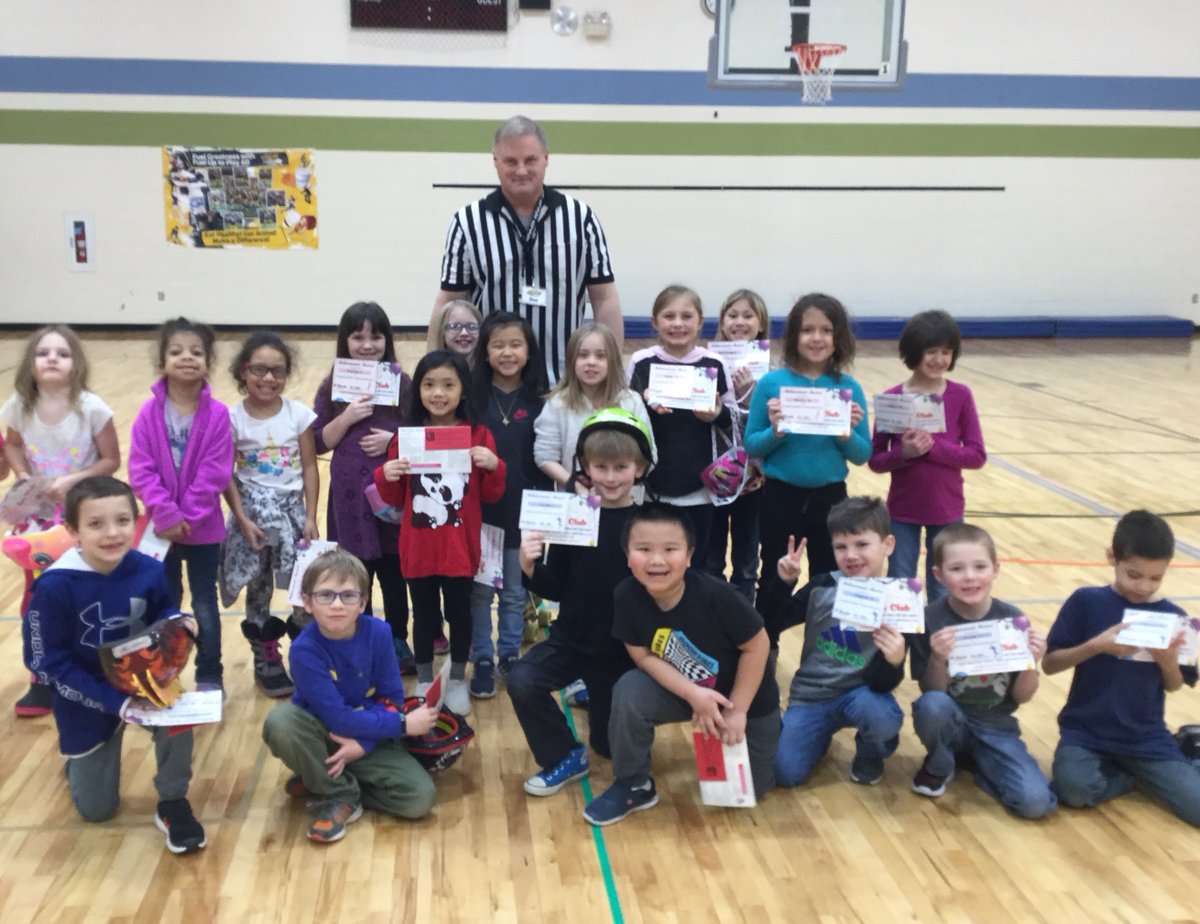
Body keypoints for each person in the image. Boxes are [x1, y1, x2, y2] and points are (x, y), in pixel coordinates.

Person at [23, 476, 206, 853]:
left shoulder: (149, 569)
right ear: (71, 530)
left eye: (122, 521)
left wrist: (179, 620)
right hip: (84, 693)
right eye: (95, 524)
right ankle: (81, 765)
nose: (111, 534)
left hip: (142, 681)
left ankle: (172, 802)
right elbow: (43, 660)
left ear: (136, 523)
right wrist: (115, 702)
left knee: (179, 717)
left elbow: (162, 611)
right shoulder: (54, 586)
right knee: (97, 811)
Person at [583, 504, 779, 826]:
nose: (657, 560)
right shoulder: (626, 595)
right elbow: (642, 655)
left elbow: (758, 645)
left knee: (758, 786)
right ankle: (633, 783)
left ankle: (775, 731)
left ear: (689, 555)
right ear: (627, 554)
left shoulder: (718, 596)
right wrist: (692, 694)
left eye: (670, 549)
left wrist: (738, 709)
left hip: (743, 698)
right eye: (643, 549)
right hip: (688, 691)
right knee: (629, 690)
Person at [510, 409, 653, 797]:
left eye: (621, 467)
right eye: (601, 467)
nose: (610, 477)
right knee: (522, 679)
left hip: (625, 653)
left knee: (609, 747)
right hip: (572, 641)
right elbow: (555, 588)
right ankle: (564, 755)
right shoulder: (575, 520)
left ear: (639, 469)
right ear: (586, 469)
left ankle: (595, 694)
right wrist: (528, 563)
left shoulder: (650, 524)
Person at [428, 115, 622, 384]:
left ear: (546, 158)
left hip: (566, 384)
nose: (521, 170)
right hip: (491, 388)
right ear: (495, 161)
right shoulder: (467, 222)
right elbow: (448, 302)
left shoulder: (581, 218)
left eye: (530, 160)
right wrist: (433, 372)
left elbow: (604, 299)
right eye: (510, 161)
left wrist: (613, 374)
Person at [262, 548, 438, 844]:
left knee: (420, 799)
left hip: (371, 731)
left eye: (348, 596)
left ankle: (322, 778)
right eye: (325, 595)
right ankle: (340, 793)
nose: (337, 605)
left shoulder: (380, 633)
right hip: (323, 734)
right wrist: (405, 725)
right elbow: (338, 717)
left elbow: (392, 699)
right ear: (306, 602)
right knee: (280, 721)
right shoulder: (304, 650)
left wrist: (364, 745)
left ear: (363, 602)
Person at [1044, 510, 1200, 826]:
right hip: (1085, 733)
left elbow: (1174, 685)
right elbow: (1049, 665)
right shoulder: (1086, 601)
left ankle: (1178, 759)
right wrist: (1094, 646)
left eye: (1156, 578)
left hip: (1145, 737)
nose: (1143, 587)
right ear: (1111, 557)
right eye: (1133, 574)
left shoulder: (1175, 618)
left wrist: (1167, 661)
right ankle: (1134, 777)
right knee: (1073, 791)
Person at [374, 350, 506, 717]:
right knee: (426, 616)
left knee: (460, 613)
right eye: (429, 385)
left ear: (463, 390)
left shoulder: (478, 434)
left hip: (460, 548)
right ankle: (423, 680)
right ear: (418, 391)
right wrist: (387, 474)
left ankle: (459, 680)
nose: (438, 393)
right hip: (419, 547)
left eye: (448, 385)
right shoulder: (407, 437)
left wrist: (494, 466)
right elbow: (394, 498)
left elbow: (493, 493)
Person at [2, 324, 120, 716]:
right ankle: (41, 676)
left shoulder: (92, 408)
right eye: (43, 352)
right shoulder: (18, 405)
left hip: (81, 517)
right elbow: (14, 445)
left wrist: (71, 480)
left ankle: (93, 666)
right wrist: (23, 476)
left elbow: (110, 460)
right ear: (31, 363)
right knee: (38, 596)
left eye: (62, 353)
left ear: (76, 364)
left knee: (85, 593)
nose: (52, 358)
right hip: (38, 520)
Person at [908, 524, 1056, 818]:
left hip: (996, 727)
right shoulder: (930, 618)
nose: (970, 576)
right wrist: (938, 658)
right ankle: (941, 759)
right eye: (957, 568)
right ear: (939, 575)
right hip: (950, 719)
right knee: (932, 705)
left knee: (1036, 804)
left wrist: (1032, 662)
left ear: (996, 569)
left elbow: (1022, 696)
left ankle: (980, 764)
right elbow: (931, 691)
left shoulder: (1013, 619)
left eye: (979, 567)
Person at [765, 496, 906, 788]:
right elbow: (771, 623)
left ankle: (870, 754)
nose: (851, 555)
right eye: (841, 547)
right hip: (812, 695)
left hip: (863, 693)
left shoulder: (900, 600)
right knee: (783, 773)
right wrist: (783, 583)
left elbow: (884, 683)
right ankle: (817, 735)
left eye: (862, 545)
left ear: (887, 545)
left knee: (881, 714)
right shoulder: (822, 586)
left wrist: (894, 661)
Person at [745, 293, 870, 608]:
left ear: (838, 337)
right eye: (807, 330)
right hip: (779, 496)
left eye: (826, 330)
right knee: (774, 572)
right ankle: (767, 646)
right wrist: (776, 432)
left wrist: (845, 434)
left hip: (830, 498)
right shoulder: (772, 384)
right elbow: (752, 445)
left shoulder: (849, 389)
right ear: (793, 336)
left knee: (829, 578)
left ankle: (823, 652)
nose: (817, 338)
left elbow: (861, 454)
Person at [129, 317, 232, 691]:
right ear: (162, 361)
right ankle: (164, 672)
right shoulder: (147, 413)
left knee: (205, 602)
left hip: (203, 530)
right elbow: (140, 469)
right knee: (165, 602)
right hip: (161, 531)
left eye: (196, 351)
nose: (186, 358)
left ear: (208, 361)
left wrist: (186, 516)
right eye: (176, 352)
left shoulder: (218, 415)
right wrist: (165, 514)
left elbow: (216, 473)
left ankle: (209, 674)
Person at [312, 302, 414, 672]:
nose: (368, 345)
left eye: (376, 336)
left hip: (392, 492)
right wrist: (348, 417)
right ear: (345, 341)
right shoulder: (332, 386)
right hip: (350, 496)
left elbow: (419, 434)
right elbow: (319, 441)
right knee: (356, 572)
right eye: (358, 337)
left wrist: (392, 440)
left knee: (394, 571)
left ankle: (399, 639)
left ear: (388, 340)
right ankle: (363, 641)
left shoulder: (401, 382)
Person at [221, 332, 319, 697]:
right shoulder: (231, 418)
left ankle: (307, 655)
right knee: (258, 584)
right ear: (243, 371)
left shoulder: (298, 415)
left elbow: (309, 466)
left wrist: (311, 515)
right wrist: (242, 518)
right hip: (254, 520)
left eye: (277, 371)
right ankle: (265, 655)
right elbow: (225, 473)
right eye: (259, 369)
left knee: (300, 586)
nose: (268, 378)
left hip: (292, 516)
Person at [868, 310, 986, 598]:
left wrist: (934, 448)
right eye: (931, 351)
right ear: (913, 352)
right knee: (899, 586)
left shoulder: (961, 396)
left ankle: (937, 643)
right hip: (902, 510)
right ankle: (899, 643)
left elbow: (976, 455)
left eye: (946, 352)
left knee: (944, 589)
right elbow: (875, 460)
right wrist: (904, 453)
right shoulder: (893, 398)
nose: (939, 359)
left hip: (947, 509)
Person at [468, 312, 549, 698]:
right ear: (484, 352)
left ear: (529, 351)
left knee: (516, 593)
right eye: (498, 344)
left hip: (526, 510)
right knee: (482, 593)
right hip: (483, 514)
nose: (507, 352)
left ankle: (510, 655)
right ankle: (482, 656)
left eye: (515, 344)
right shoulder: (472, 399)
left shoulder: (542, 400)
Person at [626, 285, 735, 554]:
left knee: (697, 559)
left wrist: (717, 414)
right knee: (653, 554)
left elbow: (735, 423)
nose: (678, 324)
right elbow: (626, 419)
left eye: (686, 316)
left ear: (699, 322)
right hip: (651, 485)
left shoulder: (715, 363)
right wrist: (643, 403)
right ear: (655, 322)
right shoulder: (641, 361)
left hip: (701, 485)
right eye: (669, 316)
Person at [704, 289, 770, 603]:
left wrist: (750, 393)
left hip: (754, 480)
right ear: (722, 321)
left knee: (746, 562)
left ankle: (745, 622)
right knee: (711, 558)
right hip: (714, 475)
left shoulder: (771, 373)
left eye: (748, 315)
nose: (739, 322)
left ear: (761, 324)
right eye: (733, 315)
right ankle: (715, 621)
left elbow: (764, 425)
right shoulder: (708, 363)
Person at [534, 321, 653, 491]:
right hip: (577, 502)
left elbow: (649, 454)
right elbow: (545, 457)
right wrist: (574, 485)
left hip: (626, 501)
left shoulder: (631, 402)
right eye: (583, 355)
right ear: (571, 361)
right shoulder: (558, 404)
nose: (591, 362)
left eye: (600, 356)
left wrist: (619, 485)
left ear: (613, 361)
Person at [433, 298, 483, 365]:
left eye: (471, 326)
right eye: (455, 327)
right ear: (442, 332)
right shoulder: (430, 371)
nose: (464, 333)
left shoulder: (491, 372)